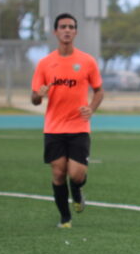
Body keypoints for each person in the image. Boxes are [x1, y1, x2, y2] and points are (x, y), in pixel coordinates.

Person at [31, 13, 104, 228]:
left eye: (71, 27)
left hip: (79, 126)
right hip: (53, 127)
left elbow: (99, 91)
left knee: (76, 173)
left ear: (76, 32)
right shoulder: (45, 64)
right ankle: (65, 218)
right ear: (55, 32)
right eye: (63, 26)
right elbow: (34, 99)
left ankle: (78, 190)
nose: (67, 30)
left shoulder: (87, 61)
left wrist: (91, 108)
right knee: (58, 172)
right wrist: (39, 94)